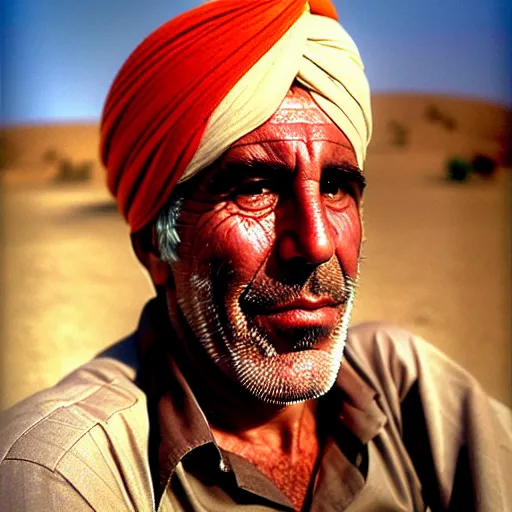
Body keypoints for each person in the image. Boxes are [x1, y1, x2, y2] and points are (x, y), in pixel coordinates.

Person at [1, 1, 510, 510]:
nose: (316, 244)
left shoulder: (407, 387)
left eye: (335, 187)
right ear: (156, 245)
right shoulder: (66, 473)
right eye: (254, 189)